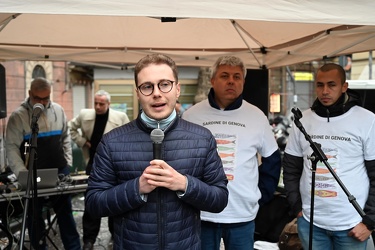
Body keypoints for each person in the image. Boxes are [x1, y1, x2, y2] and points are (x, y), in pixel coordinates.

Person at [85, 53, 229, 249]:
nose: (156, 93)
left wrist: (184, 184)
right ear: (138, 92)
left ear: (177, 89)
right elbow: (94, 203)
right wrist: (137, 188)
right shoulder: (112, 142)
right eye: (147, 86)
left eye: (165, 84)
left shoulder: (202, 138)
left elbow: (219, 198)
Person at [182, 55, 281, 250]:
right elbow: (181, 160)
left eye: (237, 77)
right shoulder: (192, 116)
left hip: (242, 214)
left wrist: (260, 196)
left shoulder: (256, 116)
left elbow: (272, 160)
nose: (231, 81)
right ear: (212, 80)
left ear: (243, 82)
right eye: (224, 76)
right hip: (202, 213)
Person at [283, 63, 375, 250]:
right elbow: (291, 168)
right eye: (320, 85)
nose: (325, 91)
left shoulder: (367, 120)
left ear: (344, 87)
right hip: (310, 223)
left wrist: (369, 222)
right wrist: (297, 209)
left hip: (352, 226)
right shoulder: (303, 121)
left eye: (331, 85)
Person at [5, 77, 81, 250]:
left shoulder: (58, 110)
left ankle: (74, 247)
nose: (42, 102)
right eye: (38, 98)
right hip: (32, 173)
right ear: (30, 94)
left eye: (46, 98)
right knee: (33, 216)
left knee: (65, 213)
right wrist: (22, 174)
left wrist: (67, 162)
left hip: (59, 170)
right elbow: (11, 148)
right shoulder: (19, 117)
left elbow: (66, 138)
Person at [68, 89, 130, 250]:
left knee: (114, 200)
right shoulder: (84, 114)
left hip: (114, 165)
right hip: (93, 163)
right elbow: (70, 128)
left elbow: (129, 138)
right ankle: (89, 239)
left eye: (101, 104)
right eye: (95, 103)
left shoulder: (120, 117)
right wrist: (82, 141)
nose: (98, 106)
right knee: (91, 201)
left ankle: (115, 234)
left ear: (108, 104)